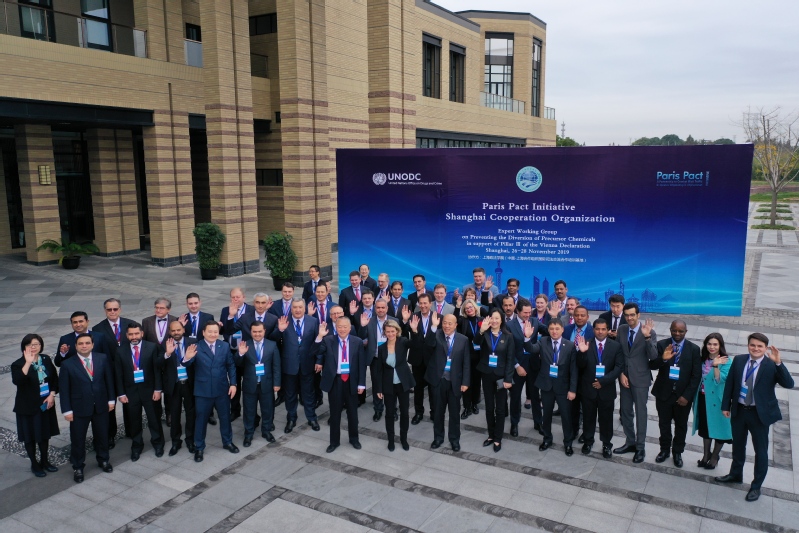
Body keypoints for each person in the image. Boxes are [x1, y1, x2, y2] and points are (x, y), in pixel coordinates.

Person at [716, 333, 794, 502]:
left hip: (759, 414)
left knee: (761, 451)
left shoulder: (771, 364)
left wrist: (779, 363)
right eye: (753, 345)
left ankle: (756, 486)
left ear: (765, 348)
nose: (756, 349)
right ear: (748, 345)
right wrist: (725, 406)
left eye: (760, 346)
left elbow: (789, 384)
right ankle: (735, 474)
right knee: (738, 445)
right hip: (739, 411)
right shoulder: (739, 360)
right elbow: (730, 383)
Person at [59, 333, 115, 483]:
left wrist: (111, 400)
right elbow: (64, 390)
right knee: (78, 439)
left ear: (92, 345)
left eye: (87, 343)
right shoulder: (67, 364)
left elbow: (109, 380)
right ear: (76, 346)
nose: (84, 346)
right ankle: (78, 467)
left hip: (101, 405)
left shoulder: (102, 358)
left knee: (102, 435)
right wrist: (67, 410)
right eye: (81, 343)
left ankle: (103, 460)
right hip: (79, 408)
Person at [183, 321, 239, 462]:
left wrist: (233, 384)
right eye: (210, 331)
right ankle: (199, 447)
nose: (213, 334)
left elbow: (231, 365)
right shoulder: (196, 346)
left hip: (222, 389)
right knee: (201, 420)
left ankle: (227, 442)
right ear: (203, 332)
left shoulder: (224, 346)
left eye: (215, 331)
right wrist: (187, 357)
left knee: (225, 417)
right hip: (203, 391)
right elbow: (187, 364)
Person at [649, 320, 701, 468]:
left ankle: (677, 452)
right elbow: (651, 365)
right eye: (674, 330)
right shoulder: (661, 345)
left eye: (680, 331)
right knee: (664, 424)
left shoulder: (694, 349)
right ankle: (664, 450)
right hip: (664, 394)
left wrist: (687, 396)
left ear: (686, 332)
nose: (677, 334)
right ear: (670, 330)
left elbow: (696, 375)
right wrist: (663, 359)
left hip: (682, 396)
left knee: (681, 426)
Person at [314, 316, 367, 453]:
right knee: (335, 413)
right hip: (335, 381)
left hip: (351, 381)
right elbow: (315, 352)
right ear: (335, 328)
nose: (342, 329)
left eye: (345, 327)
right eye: (339, 327)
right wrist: (319, 337)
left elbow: (361, 364)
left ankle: (354, 439)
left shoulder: (357, 341)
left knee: (353, 413)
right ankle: (334, 442)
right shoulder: (328, 340)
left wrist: (361, 384)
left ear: (350, 328)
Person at [614, 303, 657, 463]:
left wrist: (647, 337)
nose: (629, 318)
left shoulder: (649, 332)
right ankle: (630, 442)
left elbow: (653, 356)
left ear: (638, 315)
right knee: (625, 412)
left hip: (640, 378)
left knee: (641, 413)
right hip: (625, 378)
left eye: (632, 315)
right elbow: (618, 353)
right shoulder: (622, 329)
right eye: (627, 315)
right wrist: (621, 374)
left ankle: (640, 447)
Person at [12, 334, 60, 477]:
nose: (33, 347)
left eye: (36, 344)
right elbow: (18, 381)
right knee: (30, 436)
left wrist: (52, 394)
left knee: (44, 435)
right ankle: (34, 463)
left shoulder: (45, 359)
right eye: (29, 345)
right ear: (24, 347)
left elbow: (54, 379)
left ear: (41, 346)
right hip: (27, 407)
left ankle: (45, 461)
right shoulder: (18, 364)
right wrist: (27, 363)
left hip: (45, 404)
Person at [115, 322, 165, 461]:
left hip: (150, 391)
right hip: (130, 392)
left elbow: (157, 371)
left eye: (136, 333)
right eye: (131, 334)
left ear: (142, 333)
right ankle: (136, 446)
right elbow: (118, 374)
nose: (134, 337)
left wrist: (157, 389)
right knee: (134, 421)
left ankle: (158, 443)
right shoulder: (120, 350)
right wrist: (121, 393)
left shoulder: (152, 347)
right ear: (126, 335)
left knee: (154, 419)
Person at [421, 313, 470, 452]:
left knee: (454, 413)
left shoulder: (463, 340)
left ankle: (454, 439)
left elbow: (466, 363)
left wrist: (465, 382)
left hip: (455, 381)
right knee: (438, 412)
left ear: (455, 325)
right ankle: (438, 438)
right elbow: (428, 345)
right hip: (438, 380)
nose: (447, 326)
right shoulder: (436, 335)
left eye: (450, 323)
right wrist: (433, 327)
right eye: (444, 323)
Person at [530, 315, 578, 456]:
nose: (554, 331)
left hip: (563, 387)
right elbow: (531, 349)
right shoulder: (543, 341)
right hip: (547, 385)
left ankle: (568, 443)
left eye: (557, 328)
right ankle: (547, 439)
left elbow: (574, 370)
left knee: (566, 416)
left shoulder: (570, 345)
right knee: (547, 415)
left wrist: (572, 390)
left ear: (562, 329)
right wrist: (527, 338)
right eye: (551, 329)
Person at [575, 319, 623, 457]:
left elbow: (619, 367)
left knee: (606, 419)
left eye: (603, 329)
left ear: (608, 330)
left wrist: (603, 381)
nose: (600, 332)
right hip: (588, 389)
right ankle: (588, 441)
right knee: (588, 418)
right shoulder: (586, 343)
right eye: (597, 329)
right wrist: (582, 353)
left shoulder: (616, 346)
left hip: (606, 390)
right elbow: (580, 366)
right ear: (593, 329)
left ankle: (606, 444)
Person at [276, 298, 321, 433]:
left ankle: (312, 417)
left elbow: (319, 342)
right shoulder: (284, 321)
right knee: (290, 394)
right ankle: (291, 418)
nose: (297, 310)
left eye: (300, 307)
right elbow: (273, 340)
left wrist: (319, 360)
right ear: (291, 308)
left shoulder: (313, 321)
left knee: (309, 393)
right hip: (289, 365)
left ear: (304, 308)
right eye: (295, 307)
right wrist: (279, 330)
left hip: (308, 363)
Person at [92, 298, 132, 444]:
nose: (112, 312)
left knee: (129, 402)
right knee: (110, 404)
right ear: (105, 311)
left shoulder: (130, 324)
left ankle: (131, 430)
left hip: (128, 372)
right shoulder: (97, 329)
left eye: (115, 309)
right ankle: (110, 435)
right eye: (109, 309)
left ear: (120, 309)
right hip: (108, 372)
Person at [374, 318, 417, 451]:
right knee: (389, 413)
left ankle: (404, 439)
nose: (390, 334)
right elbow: (379, 370)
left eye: (393, 331)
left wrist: (414, 331)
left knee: (404, 412)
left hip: (403, 383)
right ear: (384, 333)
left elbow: (415, 344)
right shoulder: (381, 348)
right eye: (388, 332)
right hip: (388, 385)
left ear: (397, 331)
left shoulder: (403, 342)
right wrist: (378, 389)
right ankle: (391, 440)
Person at [236, 320, 281, 445]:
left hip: (267, 384)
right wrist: (240, 354)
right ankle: (248, 434)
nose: (257, 334)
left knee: (268, 410)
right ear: (251, 332)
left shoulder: (272, 345)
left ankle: (266, 431)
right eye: (254, 332)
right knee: (249, 411)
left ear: (264, 331)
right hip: (250, 385)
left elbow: (276, 366)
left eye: (260, 331)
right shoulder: (245, 344)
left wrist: (277, 383)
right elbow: (237, 364)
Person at [692, 333, 732, 470]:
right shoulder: (702, 359)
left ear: (720, 345)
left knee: (719, 429)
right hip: (703, 398)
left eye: (715, 344)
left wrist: (715, 366)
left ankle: (715, 456)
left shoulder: (726, 361)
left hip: (719, 400)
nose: (712, 347)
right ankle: (706, 455)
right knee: (705, 428)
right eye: (709, 344)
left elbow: (720, 380)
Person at [477, 309, 515, 453]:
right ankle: (491, 435)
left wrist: (508, 379)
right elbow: (475, 344)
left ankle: (498, 438)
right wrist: (481, 331)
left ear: (501, 320)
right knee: (489, 407)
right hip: (487, 374)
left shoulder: (508, 336)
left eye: (497, 318)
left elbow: (510, 359)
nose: (494, 321)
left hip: (501, 376)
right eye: (492, 318)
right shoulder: (484, 333)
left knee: (500, 409)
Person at [508, 298, 546, 437]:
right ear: (517, 311)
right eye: (525, 313)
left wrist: (554, 317)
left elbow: (549, 330)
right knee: (515, 396)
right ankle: (514, 423)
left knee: (535, 395)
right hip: (518, 366)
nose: (528, 315)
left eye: (530, 312)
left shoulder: (534, 321)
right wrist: (517, 366)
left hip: (533, 365)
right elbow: (508, 349)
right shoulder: (509, 325)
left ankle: (538, 422)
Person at [162, 321, 198, 455]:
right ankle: (176, 442)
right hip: (174, 385)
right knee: (174, 414)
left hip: (189, 383)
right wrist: (167, 354)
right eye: (173, 331)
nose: (176, 333)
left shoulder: (193, 342)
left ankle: (190, 440)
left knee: (191, 413)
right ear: (169, 332)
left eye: (178, 330)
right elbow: (158, 364)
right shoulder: (164, 344)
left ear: (183, 330)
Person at [221, 287, 254, 421]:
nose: (235, 299)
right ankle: (235, 410)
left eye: (238, 297)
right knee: (233, 381)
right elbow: (224, 330)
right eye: (233, 297)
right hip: (231, 350)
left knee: (248, 382)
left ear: (244, 297)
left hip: (247, 350)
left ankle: (249, 410)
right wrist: (230, 317)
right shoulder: (225, 310)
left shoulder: (252, 310)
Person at [142, 298, 176, 425]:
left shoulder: (175, 320)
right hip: (152, 359)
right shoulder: (146, 321)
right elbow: (144, 341)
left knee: (169, 389)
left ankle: (169, 414)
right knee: (154, 387)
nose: (158, 310)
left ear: (168, 309)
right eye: (156, 307)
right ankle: (156, 414)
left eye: (161, 308)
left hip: (169, 358)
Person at [564, 305, 595, 442]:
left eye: (582, 315)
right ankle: (574, 430)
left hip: (586, 373)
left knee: (587, 406)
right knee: (573, 405)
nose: (579, 317)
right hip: (569, 373)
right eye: (576, 315)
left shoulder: (594, 332)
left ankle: (586, 433)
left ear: (588, 317)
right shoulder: (567, 330)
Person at [357, 298, 391, 421]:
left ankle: (392, 409)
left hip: (391, 358)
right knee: (377, 385)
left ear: (387, 308)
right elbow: (361, 337)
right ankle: (378, 409)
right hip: (375, 358)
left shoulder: (394, 320)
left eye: (383, 307)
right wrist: (362, 326)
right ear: (375, 309)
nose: (380, 310)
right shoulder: (369, 321)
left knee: (392, 385)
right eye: (378, 307)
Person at [406, 292, 435, 425]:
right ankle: (418, 412)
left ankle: (434, 412)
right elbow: (413, 339)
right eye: (421, 303)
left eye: (425, 303)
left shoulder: (437, 317)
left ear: (430, 304)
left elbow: (436, 340)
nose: (423, 306)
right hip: (417, 359)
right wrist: (412, 328)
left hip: (432, 359)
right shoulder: (413, 317)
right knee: (418, 388)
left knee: (433, 388)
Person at [456, 298, 483, 419]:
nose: (469, 310)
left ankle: (474, 404)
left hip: (479, 356)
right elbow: (455, 319)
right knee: (466, 381)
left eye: (471, 307)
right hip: (466, 356)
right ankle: (467, 407)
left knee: (477, 382)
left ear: (475, 308)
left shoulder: (481, 320)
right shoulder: (463, 321)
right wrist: (457, 307)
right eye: (466, 308)